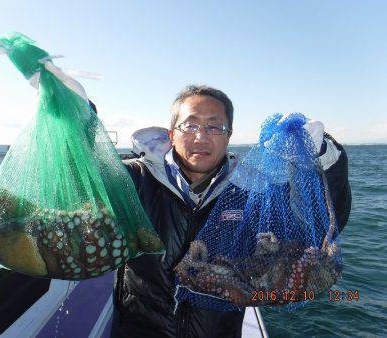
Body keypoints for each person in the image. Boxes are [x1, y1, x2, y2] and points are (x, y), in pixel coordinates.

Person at [110, 85, 352, 337]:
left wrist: (324, 158)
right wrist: (76, 125)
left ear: (229, 136)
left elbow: (315, 225)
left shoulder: (252, 190)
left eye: (214, 127)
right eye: (190, 125)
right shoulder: (133, 179)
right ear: (172, 135)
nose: (201, 137)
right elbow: (82, 194)